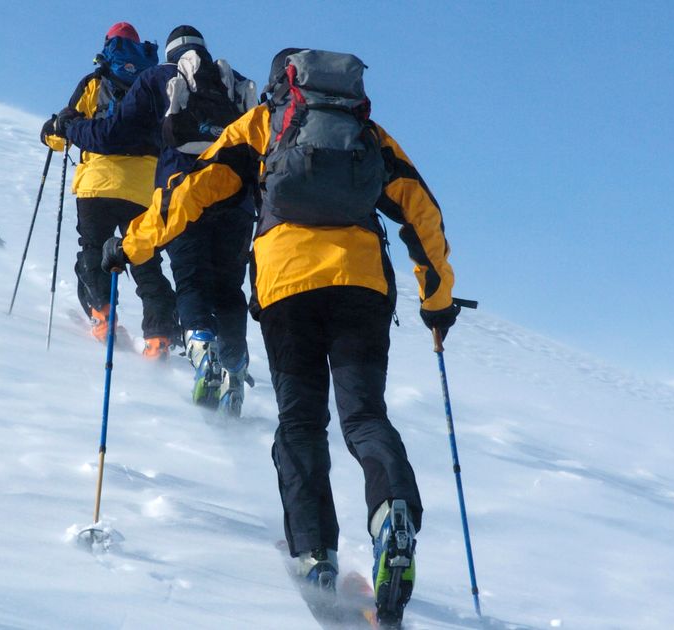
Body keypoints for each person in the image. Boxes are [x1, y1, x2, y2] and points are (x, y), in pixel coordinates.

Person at [100, 48, 460, 625]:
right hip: (362, 288)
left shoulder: (261, 126)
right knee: (365, 417)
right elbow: (422, 212)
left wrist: (131, 245)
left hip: (288, 288)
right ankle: (391, 514)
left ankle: (315, 553)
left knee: (300, 423)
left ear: (280, 87)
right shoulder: (366, 133)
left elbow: (190, 192)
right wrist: (436, 301)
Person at [57, 25, 257, 415]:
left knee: (191, 278)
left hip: (183, 194)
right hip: (238, 201)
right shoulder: (235, 83)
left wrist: (71, 127)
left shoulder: (158, 78)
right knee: (228, 288)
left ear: (168, 52)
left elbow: (113, 134)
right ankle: (233, 368)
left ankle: (202, 353)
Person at [40, 22, 179, 358]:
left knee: (93, 251)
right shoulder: (156, 84)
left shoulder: (95, 82)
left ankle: (103, 316)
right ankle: (159, 335)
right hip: (144, 188)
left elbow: (64, 131)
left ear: (108, 44)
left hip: (98, 184)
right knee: (145, 261)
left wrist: (50, 134)